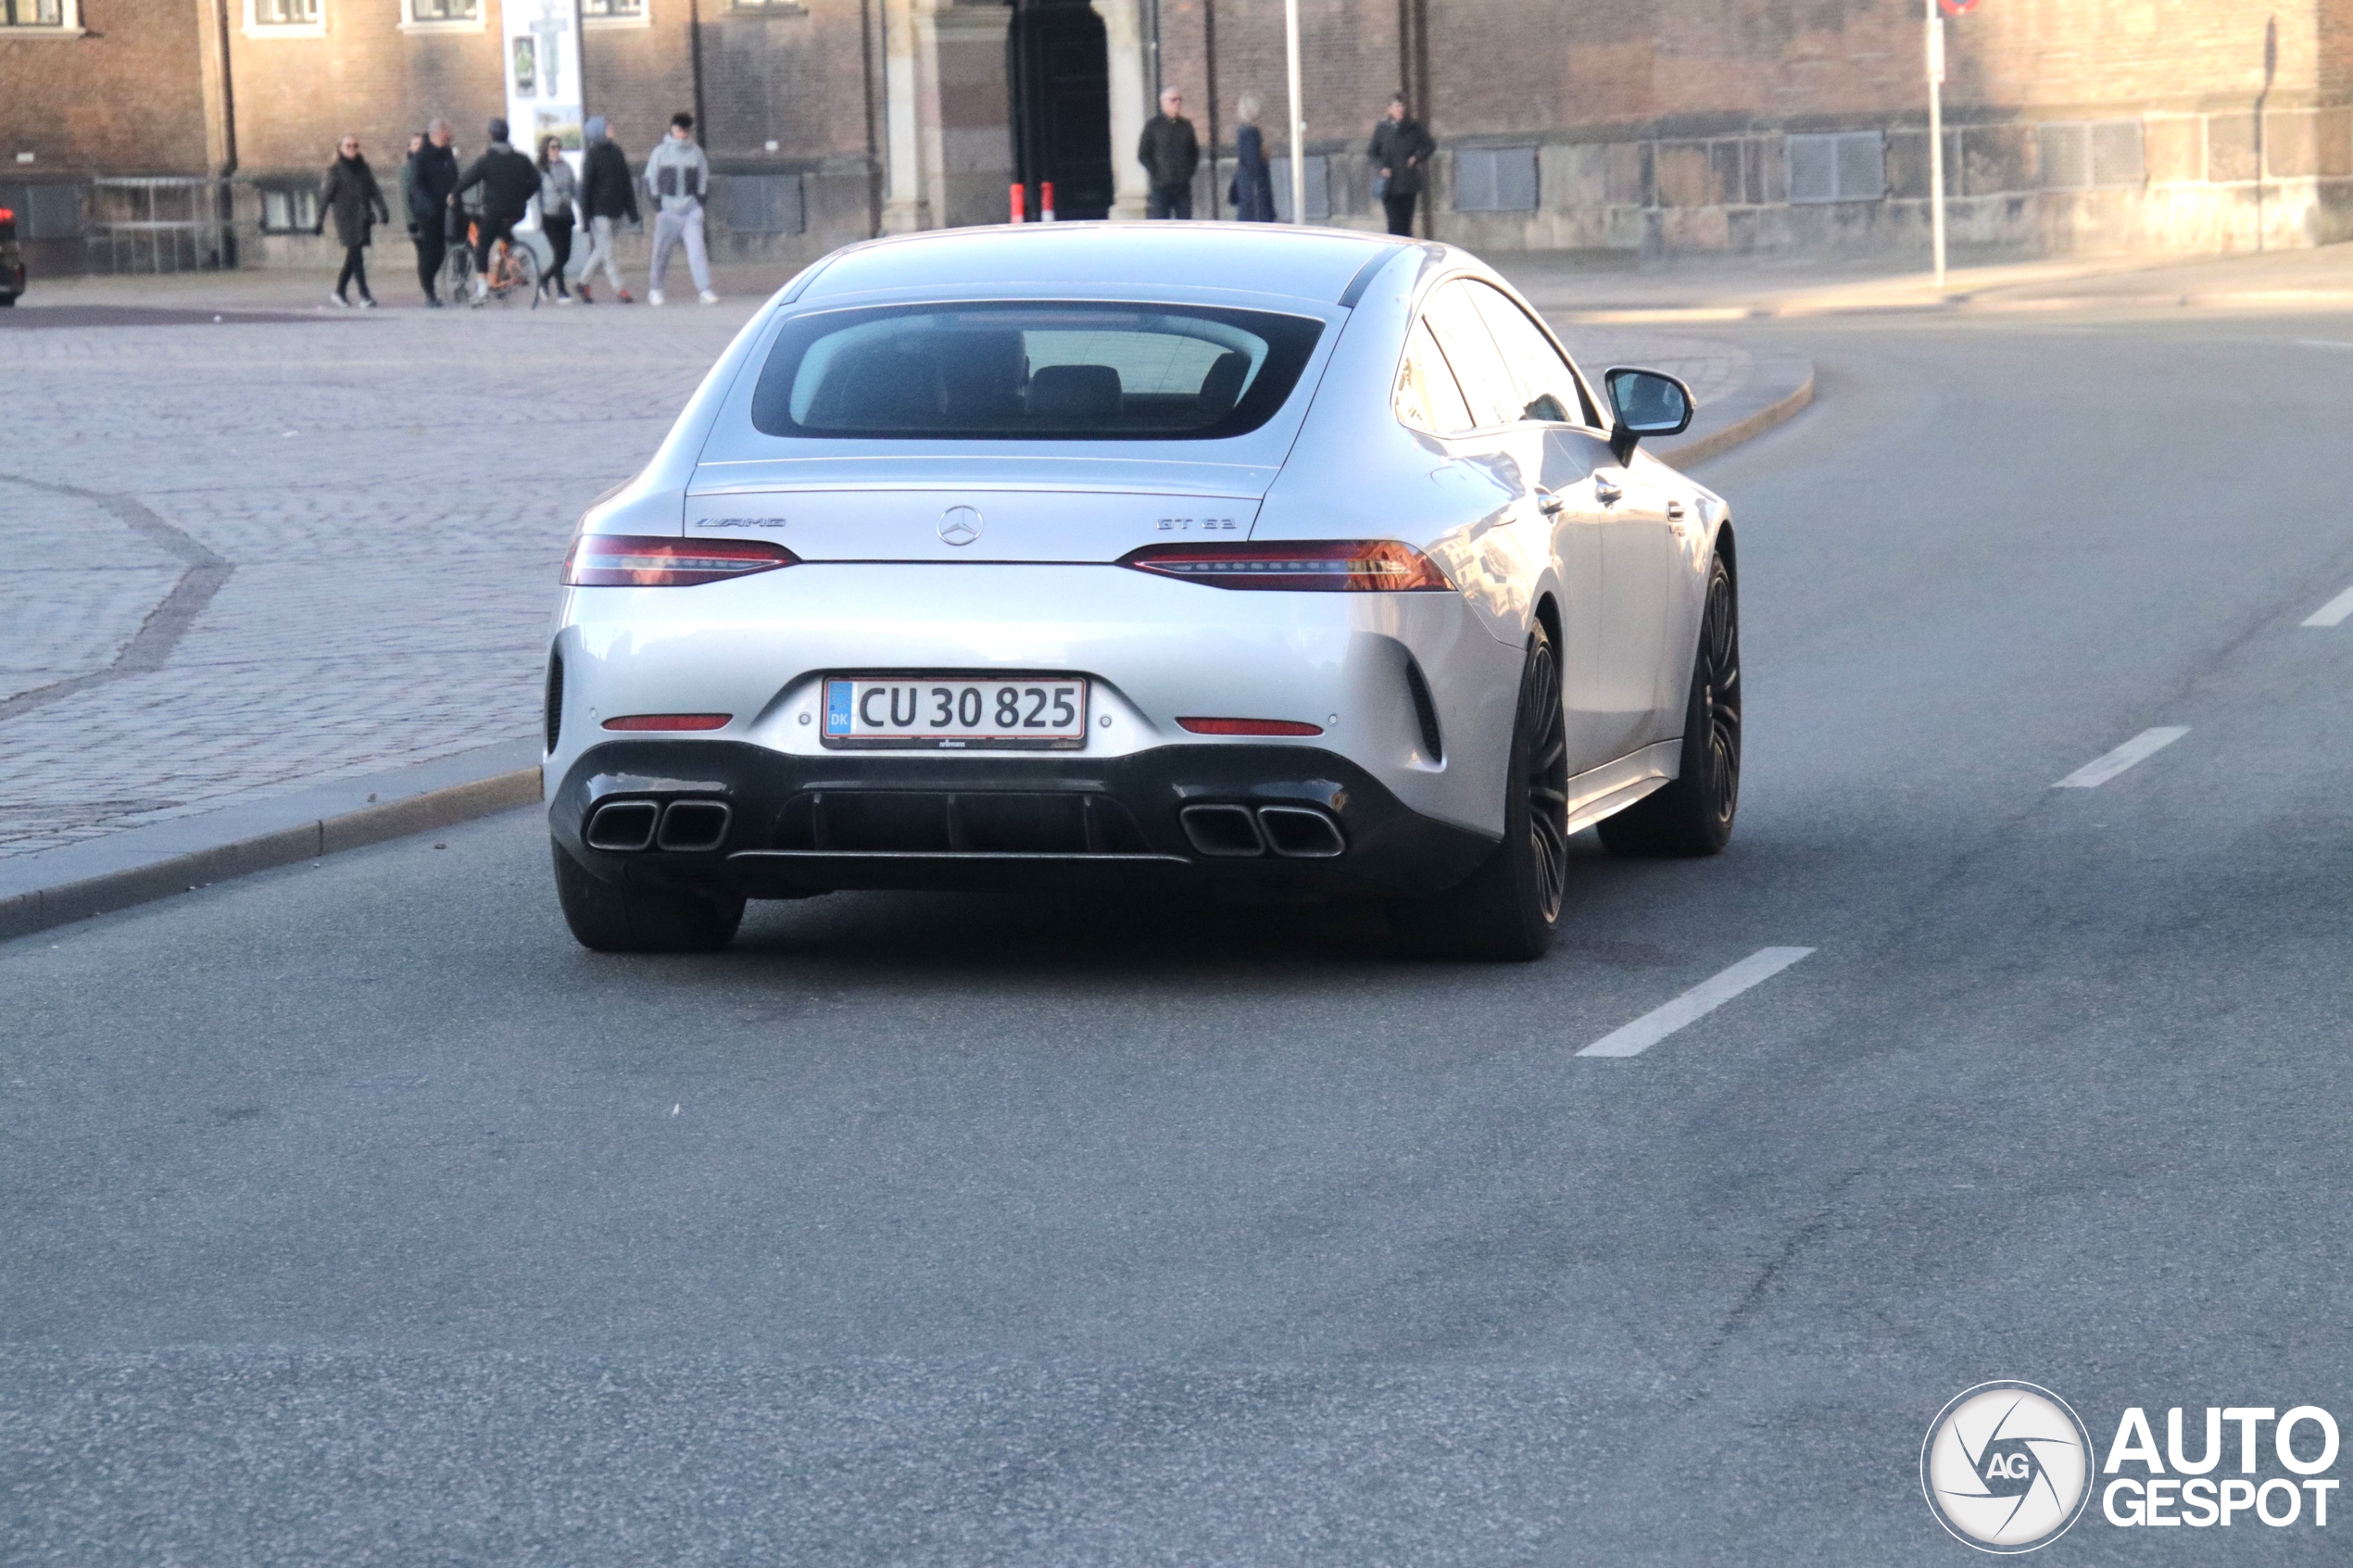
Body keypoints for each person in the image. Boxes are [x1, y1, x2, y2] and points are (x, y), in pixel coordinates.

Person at [449, 117, 539, 306]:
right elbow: (536, 182)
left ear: (491, 136)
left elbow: (468, 179)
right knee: (503, 231)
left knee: (482, 244)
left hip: (495, 210)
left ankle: (482, 288)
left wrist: (454, 193)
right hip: (517, 211)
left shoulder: (487, 161)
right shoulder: (522, 159)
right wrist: (523, 195)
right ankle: (512, 257)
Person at [643, 111, 715, 306]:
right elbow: (651, 179)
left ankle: (705, 289)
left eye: (685, 131)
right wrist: (658, 204)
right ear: (673, 129)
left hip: (691, 211)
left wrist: (700, 203)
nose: (682, 134)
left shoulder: (696, 153)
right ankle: (655, 289)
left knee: (697, 251)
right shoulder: (660, 152)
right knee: (661, 253)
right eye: (679, 130)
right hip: (667, 211)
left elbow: (703, 178)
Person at [316, 134, 389, 308]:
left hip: (363, 217)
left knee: (353, 257)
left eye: (355, 145)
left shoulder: (364, 168)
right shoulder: (335, 170)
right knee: (357, 256)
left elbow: (374, 190)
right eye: (348, 146)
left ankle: (339, 292)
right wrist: (319, 221)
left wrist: (383, 210)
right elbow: (325, 197)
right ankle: (365, 295)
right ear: (340, 149)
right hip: (346, 219)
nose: (352, 149)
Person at [576, 115, 637, 304]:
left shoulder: (617, 152)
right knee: (608, 252)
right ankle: (621, 289)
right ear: (599, 132)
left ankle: (582, 282)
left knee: (603, 250)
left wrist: (632, 209)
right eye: (606, 126)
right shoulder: (592, 157)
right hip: (599, 213)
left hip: (617, 210)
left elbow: (626, 181)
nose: (611, 127)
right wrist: (586, 218)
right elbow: (585, 188)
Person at [407, 119, 459, 307]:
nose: (451, 134)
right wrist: (428, 208)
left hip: (445, 209)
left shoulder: (447, 153)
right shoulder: (422, 156)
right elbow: (416, 185)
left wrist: (455, 195)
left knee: (440, 251)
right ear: (441, 133)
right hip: (427, 212)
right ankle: (429, 292)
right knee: (430, 252)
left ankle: (431, 287)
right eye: (449, 131)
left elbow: (454, 176)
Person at [1368, 94, 1434, 237]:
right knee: (1393, 223)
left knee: (1405, 224)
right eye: (1397, 106)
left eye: (1403, 105)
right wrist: (1382, 167)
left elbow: (1429, 145)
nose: (1401, 109)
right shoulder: (1382, 128)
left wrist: (1416, 157)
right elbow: (1372, 152)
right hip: (1389, 185)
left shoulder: (1413, 127)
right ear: (1390, 108)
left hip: (1407, 183)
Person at [1138, 87, 1200, 220]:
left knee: (1185, 223)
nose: (1177, 103)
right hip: (1161, 187)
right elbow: (1143, 154)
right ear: (1163, 103)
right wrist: (1156, 173)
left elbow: (1194, 152)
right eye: (1173, 100)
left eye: (1179, 100)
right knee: (1161, 224)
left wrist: (1188, 173)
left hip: (1182, 187)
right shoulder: (1153, 125)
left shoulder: (1186, 125)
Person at [535, 135, 578, 304]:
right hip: (549, 216)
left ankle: (544, 279)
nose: (556, 150)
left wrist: (582, 210)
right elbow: (535, 195)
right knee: (559, 253)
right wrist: (537, 217)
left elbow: (574, 189)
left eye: (559, 146)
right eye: (553, 147)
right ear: (546, 149)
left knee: (565, 255)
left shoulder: (566, 166)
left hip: (566, 215)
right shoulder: (540, 169)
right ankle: (561, 291)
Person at [1228, 94, 1274, 221]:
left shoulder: (1247, 132)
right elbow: (1254, 164)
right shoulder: (1253, 133)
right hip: (1257, 192)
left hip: (1251, 191)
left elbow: (1250, 163)